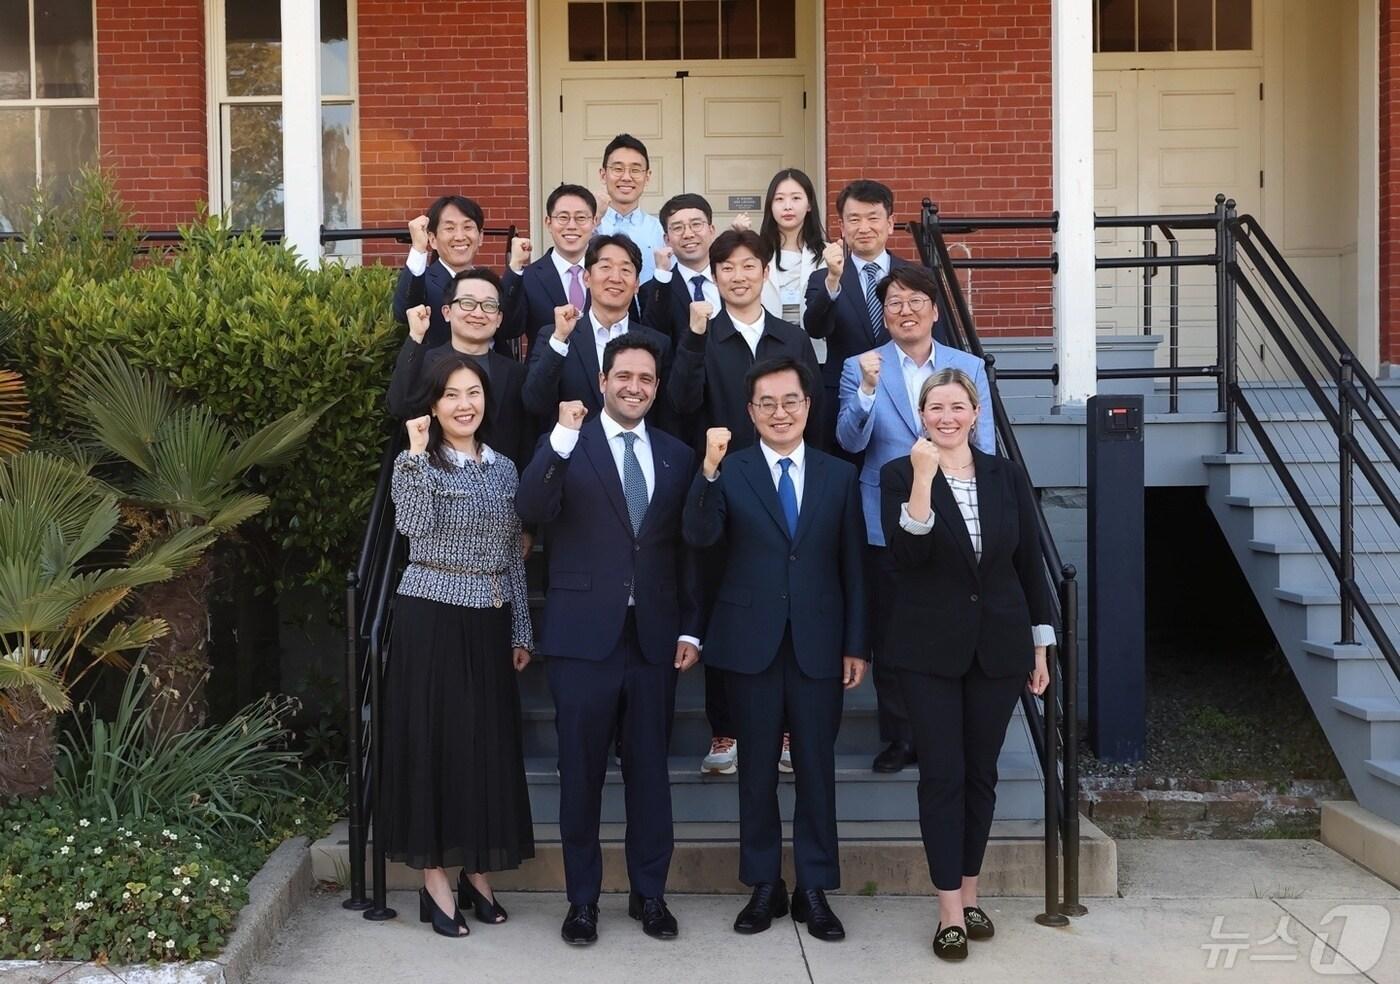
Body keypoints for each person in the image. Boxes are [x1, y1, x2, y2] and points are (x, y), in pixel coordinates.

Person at [516, 334, 703, 946]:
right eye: (624, 376)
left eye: (646, 379)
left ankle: (650, 895)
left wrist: (690, 626)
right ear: (602, 381)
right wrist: (561, 441)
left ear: (656, 386)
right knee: (582, 777)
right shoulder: (568, 443)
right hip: (582, 640)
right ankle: (583, 901)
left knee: (649, 776)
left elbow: (685, 553)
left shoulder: (677, 455)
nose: (635, 387)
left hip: (652, 641)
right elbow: (531, 505)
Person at [682, 356, 867, 943]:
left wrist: (856, 644)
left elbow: (855, 569)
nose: (780, 412)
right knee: (756, 772)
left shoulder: (839, 476)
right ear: (750, 412)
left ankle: (814, 887)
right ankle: (764, 884)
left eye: (790, 401)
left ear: (809, 407)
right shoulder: (729, 471)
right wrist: (707, 472)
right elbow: (700, 536)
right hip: (749, 645)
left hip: (818, 644)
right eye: (767, 403)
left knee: (815, 769)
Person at [878, 367, 1053, 961]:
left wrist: (1040, 643)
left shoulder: (1007, 476)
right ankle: (948, 908)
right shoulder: (898, 474)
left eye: (957, 407)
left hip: (999, 647)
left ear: (975, 414)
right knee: (942, 777)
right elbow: (907, 555)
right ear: (921, 416)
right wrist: (923, 479)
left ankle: (972, 894)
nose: (946, 417)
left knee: (982, 775)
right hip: (928, 651)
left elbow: (1028, 563)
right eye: (935, 408)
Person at [379, 354, 535, 938]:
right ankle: (436, 878)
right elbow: (414, 529)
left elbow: (512, 557)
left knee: (484, 748)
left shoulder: (505, 467)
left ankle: (476, 872)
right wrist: (416, 457)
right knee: (436, 745)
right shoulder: (414, 463)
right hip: (432, 615)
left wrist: (521, 627)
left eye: (473, 392)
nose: (465, 404)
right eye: (451, 395)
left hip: (489, 621)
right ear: (433, 405)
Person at [668, 228, 825, 775]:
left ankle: (783, 730)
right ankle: (724, 730)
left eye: (748, 266)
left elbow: (817, 414)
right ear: (714, 277)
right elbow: (681, 404)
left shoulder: (792, 338)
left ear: (765, 272)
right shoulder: (701, 336)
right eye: (726, 268)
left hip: (784, 482)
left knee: (782, 594)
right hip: (722, 482)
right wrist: (690, 341)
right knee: (723, 597)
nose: (738, 276)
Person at [836, 266, 994, 773]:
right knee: (893, 630)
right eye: (895, 302)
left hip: (956, 516)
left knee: (949, 620)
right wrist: (863, 391)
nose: (905, 311)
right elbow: (849, 441)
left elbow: (983, 444)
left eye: (915, 301)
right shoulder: (861, 364)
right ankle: (901, 737)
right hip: (885, 516)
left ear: (935, 309)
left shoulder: (967, 364)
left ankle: (947, 733)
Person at [805, 180, 946, 443]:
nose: (864, 228)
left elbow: (939, 338)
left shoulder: (920, 277)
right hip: (846, 400)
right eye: (854, 219)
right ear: (842, 227)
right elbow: (815, 327)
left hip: (909, 398)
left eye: (873, 218)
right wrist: (833, 281)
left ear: (890, 223)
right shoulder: (823, 279)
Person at [521, 234, 673, 428]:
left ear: (636, 285)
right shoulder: (555, 336)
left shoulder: (657, 343)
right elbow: (534, 402)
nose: (615, 278)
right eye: (605, 267)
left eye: (626, 270)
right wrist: (560, 339)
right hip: (574, 453)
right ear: (587, 278)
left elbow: (666, 416)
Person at [387, 268, 535, 468]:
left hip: (501, 490)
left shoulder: (516, 373)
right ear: (447, 312)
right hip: (436, 485)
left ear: (499, 319)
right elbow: (398, 406)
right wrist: (416, 336)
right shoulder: (426, 362)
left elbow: (525, 443)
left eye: (489, 305)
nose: (478, 313)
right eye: (467, 303)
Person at [391, 194, 531, 351]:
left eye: (468, 227)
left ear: (480, 237)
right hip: (441, 372)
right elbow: (403, 312)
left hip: (493, 371)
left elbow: (511, 329)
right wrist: (418, 248)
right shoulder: (423, 280)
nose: (459, 237)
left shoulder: (488, 283)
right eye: (449, 228)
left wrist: (516, 266)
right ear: (432, 239)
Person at [498, 183, 599, 343]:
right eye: (563, 217)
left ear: (594, 222)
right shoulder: (529, 276)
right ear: (548, 222)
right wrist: (515, 266)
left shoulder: (606, 274)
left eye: (581, 218)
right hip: (547, 367)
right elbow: (507, 328)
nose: (572, 226)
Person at [735, 168, 827, 342]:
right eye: (779, 199)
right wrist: (738, 241)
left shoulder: (826, 255)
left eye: (796, 198)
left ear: (809, 205)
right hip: (764, 347)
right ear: (770, 205)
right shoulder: (755, 252)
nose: (787, 206)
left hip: (813, 349)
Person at [640, 193, 722, 343]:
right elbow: (654, 338)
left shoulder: (731, 280)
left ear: (711, 231)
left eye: (696, 224)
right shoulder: (652, 290)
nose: (688, 234)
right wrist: (662, 274)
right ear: (667, 239)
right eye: (677, 228)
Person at [595, 134, 667, 284]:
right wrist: (593, 219)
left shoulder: (661, 230)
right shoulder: (589, 227)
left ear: (647, 177)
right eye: (618, 169)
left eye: (635, 170)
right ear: (603, 175)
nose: (626, 177)